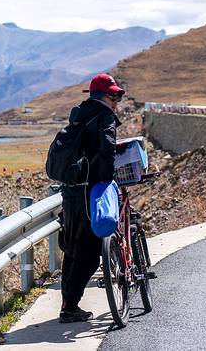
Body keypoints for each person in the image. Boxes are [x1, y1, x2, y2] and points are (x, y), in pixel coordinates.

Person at [59, 72, 124, 323]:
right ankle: (69, 308)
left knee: (73, 250)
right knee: (88, 252)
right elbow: (106, 148)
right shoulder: (104, 116)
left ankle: (68, 304)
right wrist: (107, 180)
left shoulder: (79, 115)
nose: (117, 100)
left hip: (71, 191)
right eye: (115, 95)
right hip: (90, 191)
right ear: (105, 96)